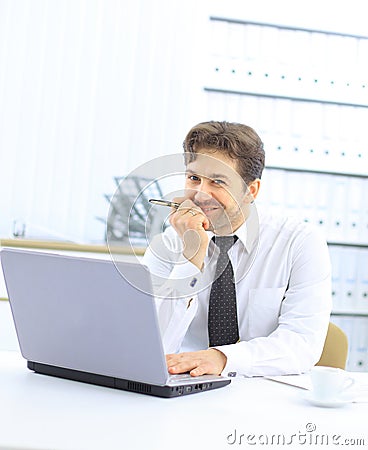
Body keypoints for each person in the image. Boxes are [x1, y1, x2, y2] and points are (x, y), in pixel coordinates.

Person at [143, 120, 332, 378]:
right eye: (194, 178)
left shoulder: (299, 242)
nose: (200, 194)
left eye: (218, 182)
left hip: (263, 392)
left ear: (250, 191)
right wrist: (190, 257)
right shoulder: (166, 245)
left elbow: (301, 344)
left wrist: (224, 358)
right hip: (182, 387)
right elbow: (150, 344)